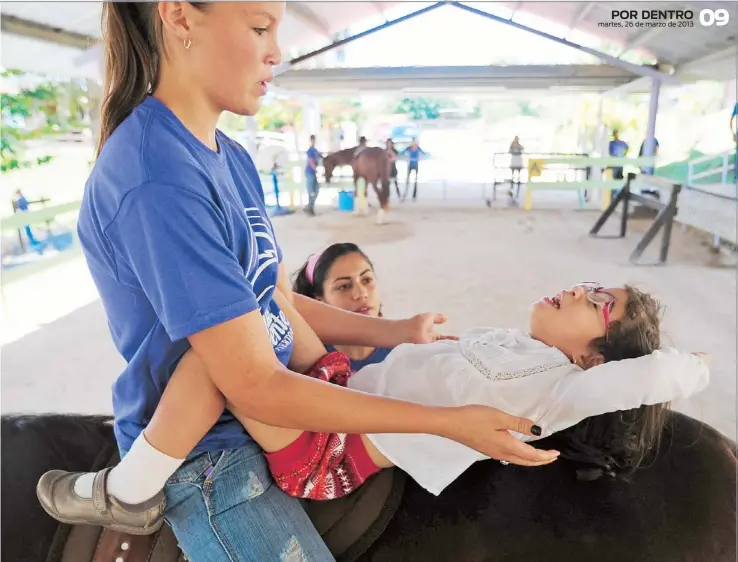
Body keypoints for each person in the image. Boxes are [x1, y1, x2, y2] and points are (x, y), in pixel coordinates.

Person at [35, 4, 556, 559]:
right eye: (260, 28)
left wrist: (397, 331)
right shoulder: (156, 177)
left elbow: (279, 300)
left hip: (282, 404)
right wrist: (444, 425)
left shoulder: (229, 157)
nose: (276, 52)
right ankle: (136, 492)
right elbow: (253, 382)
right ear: (181, 18)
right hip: (216, 453)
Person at [112, 280, 710, 501]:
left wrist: (694, 365)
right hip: (343, 385)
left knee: (214, 359)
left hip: (329, 452)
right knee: (267, 297)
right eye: (591, 286)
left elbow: (652, 376)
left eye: (600, 305)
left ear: (593, 360)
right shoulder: (513, 343)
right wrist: (402, 333)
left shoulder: (558, 394)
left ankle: (129, 489)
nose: (580, 290)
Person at [293, 243, 393, 372]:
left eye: (367, 280)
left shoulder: (403, 349)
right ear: (319, 301)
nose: (361, 294)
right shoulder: (310, 359)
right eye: (344, 286)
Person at [305, 134, 321, 216]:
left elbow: (320, 157)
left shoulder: (315, 150)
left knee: (316, 189)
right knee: (311, 190)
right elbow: (311, 161)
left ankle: (310, 206)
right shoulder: (310, 150)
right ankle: (310, 207)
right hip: (310, 172)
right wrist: (315, 169)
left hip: (313, 172)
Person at [509, 136, 524, 202]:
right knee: (513, 172)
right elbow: (510, 151)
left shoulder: (519, 146)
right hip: (514, 159)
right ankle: (512, 182)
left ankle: (518, 181)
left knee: (518, 172)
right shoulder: (512, 146)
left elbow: (522, 150)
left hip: (518, 160)